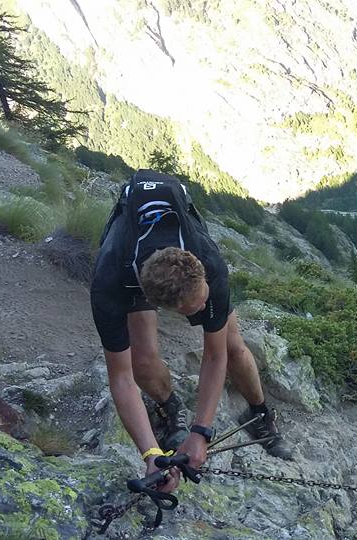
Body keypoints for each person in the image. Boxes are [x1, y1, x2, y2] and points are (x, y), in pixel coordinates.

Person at [90, 170, 291, 493]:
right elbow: (122, 378)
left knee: (232, 343)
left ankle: (260, 413)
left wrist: (202, 431)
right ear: (166, 307)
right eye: (193, 309)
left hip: (176, 252)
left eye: (203, 300)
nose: (202, 309)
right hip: (131, 265)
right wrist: (151, 454)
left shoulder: (209, 265)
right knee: (142, 362)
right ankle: (170, 409)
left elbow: (215, 354)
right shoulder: (109, 281)